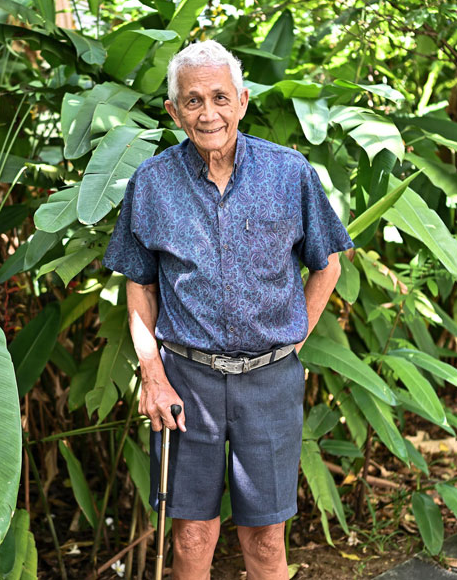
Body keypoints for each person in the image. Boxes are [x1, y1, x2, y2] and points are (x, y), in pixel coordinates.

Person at [102, 40, 354, 579]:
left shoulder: (289, 173)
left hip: (270, 383)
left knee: (265, 539)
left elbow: (328, 266)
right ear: (173, 112)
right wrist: (153, 376)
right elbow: (140, 286)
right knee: (191, 536)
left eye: (220, 97)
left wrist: (293, 343)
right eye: (192, 101)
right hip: (185, 381)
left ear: (242, 101)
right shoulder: (151, 184)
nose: (208, 112)